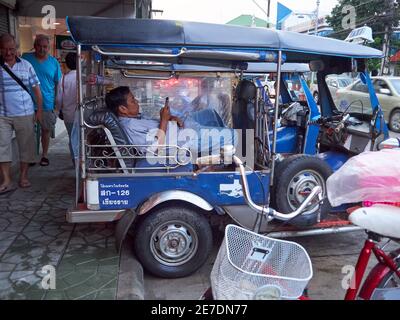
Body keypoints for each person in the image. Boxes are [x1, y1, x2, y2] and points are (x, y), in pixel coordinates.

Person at [105, 86, 236, 157]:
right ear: (122, 108)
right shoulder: (130, 127)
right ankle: (219, 147)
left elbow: (157, 126)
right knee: (234, 135)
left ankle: (217, 148)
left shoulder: (133, 117)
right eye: (133, 101)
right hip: (185, 138)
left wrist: (170, 118)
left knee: (210, 113)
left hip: (182, 125)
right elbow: (153, 149)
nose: (137, 102)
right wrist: (164, 119)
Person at [0, 33, 43, 193]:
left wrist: (39, 111)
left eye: (11, 49)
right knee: (2, 146)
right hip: (2, 114)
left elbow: (37, 91)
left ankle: (23, 176)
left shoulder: (26, 65)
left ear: (16, 48)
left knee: (25, 146)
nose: (8, 52)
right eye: (4, 49)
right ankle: (6, 180)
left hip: (25, 113)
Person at [22, 34, 62, 167]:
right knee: (29, 133)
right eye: (39, 46)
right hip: (27, 103)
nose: (42, 49)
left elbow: (58, 84)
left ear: (49, 48)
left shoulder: (54, 63)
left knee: (46, 130)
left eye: (45, 47)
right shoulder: (25, 58)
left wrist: (57, 105)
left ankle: (44, 155)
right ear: (34, 46)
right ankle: (31, 156)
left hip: (47, 103)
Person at [56, 52, 77, 165]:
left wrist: (58, 110)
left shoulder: (63, 79)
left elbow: (59, 99)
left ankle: (75, 160)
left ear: (67, 64)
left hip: (68, 115)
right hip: (82, 115)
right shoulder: (82, 78)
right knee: (81, 138)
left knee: (72, 137)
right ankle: (82, 159)